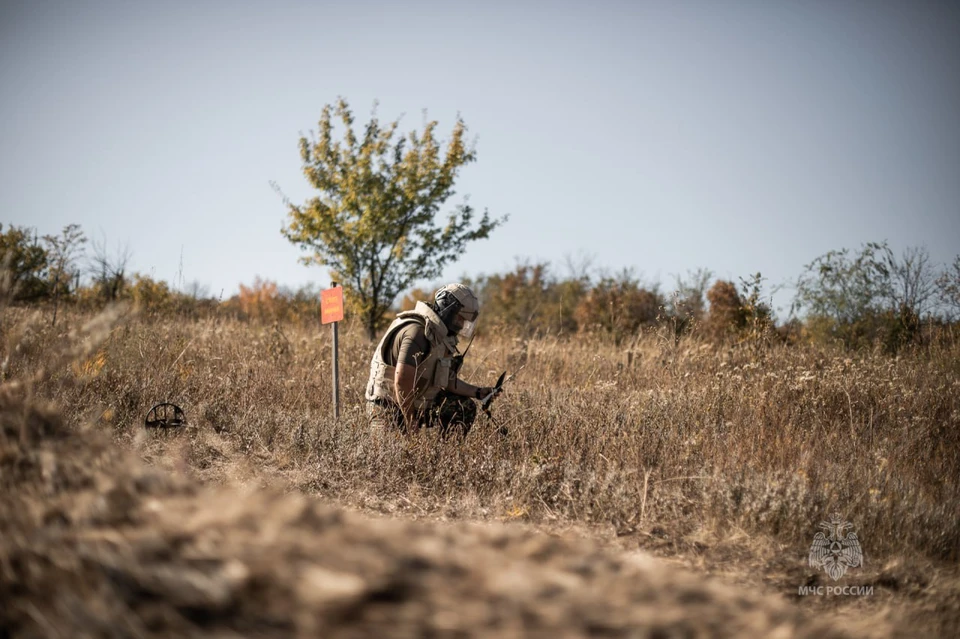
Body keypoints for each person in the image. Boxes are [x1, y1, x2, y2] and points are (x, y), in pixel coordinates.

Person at [365, 283, 498, 437]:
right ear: (448, 309)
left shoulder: (439, 335)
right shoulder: (417, 332)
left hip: (415, 405)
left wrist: (478, 392)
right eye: (460, 318)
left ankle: (448, 458)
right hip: (387, 406)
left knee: (463, 406)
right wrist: (410, 420)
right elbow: (401, 381)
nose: (461, 324)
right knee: (390, 455)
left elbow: (447, 380)